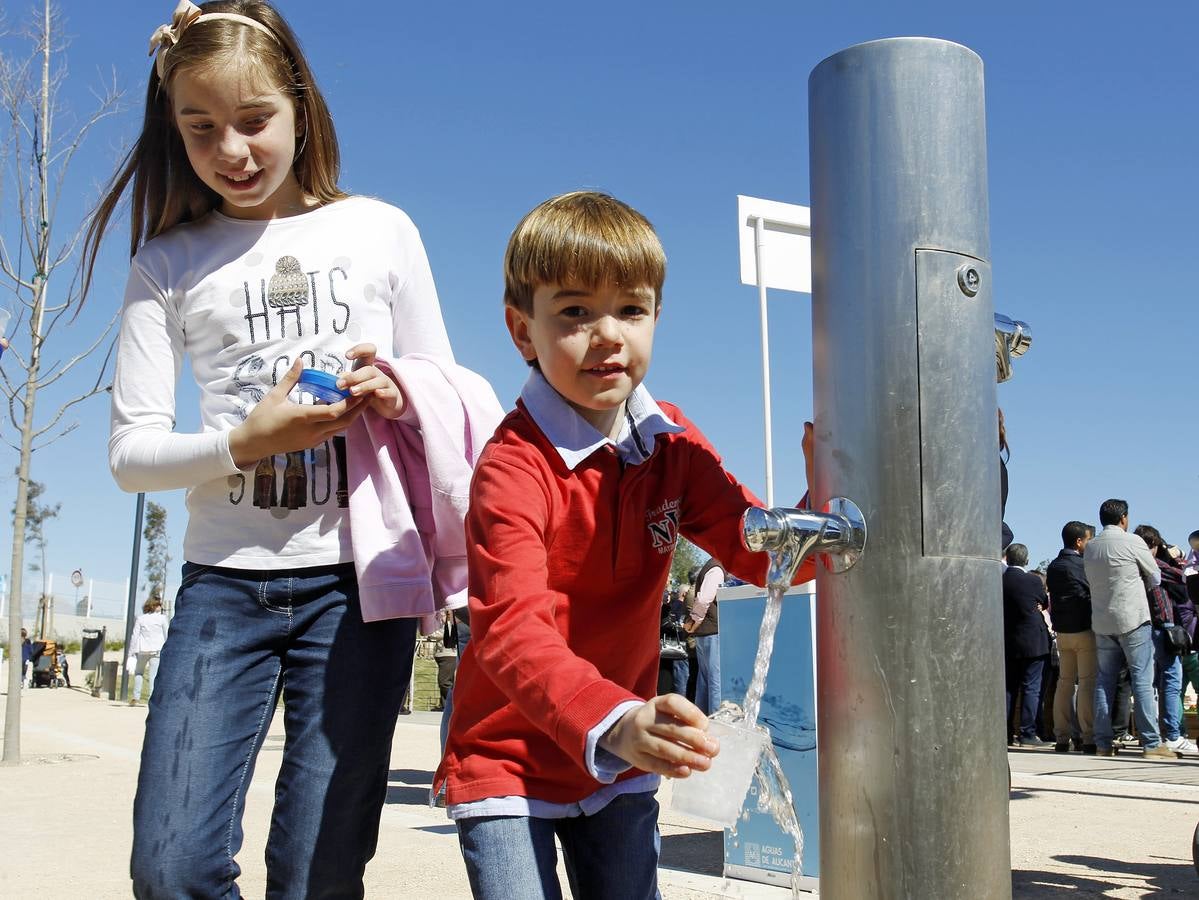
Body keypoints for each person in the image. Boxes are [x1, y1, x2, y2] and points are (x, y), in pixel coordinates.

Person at [84, 3, 464, 895]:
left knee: (316, 871)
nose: (233, 150)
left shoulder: (381, 229)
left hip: (360, 584)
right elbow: (130, 452)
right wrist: (241, 442)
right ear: (172, 130)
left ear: (301, 106)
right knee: (170, 866)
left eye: (255, 120)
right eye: (201, 127)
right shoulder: (165, 263)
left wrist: (396, 392)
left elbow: (444, 399)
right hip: (221, 584)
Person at [434, 191, 818, 899]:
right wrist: (615, 720)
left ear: (656, 318)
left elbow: (763, 557)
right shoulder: (512, 466)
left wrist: (825, 483)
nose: (607, 334)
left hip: (621, 757)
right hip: (509, 755)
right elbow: (511, 632)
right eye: (575, 311)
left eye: (630, 310)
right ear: (523, 330)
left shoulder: (668, 443)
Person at [1084, 500, 1174, 759]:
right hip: (1133, 618)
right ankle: (1151, 744)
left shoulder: (1091, 548)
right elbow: (1155, 577)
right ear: (1124, 518)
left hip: (1102, 620)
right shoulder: (1133, 542)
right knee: (1142, 681)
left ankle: (1103, 743)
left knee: (1104, 681)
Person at [1132, 525, 1197, 757]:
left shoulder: (1130, 565)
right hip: (1162, 626)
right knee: (1171, 680)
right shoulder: (1155, 565)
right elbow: (1183, 579)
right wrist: (1175, 558)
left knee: (1147, 683)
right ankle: (1172, 735)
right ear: (1154, 545)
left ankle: (1149, 735)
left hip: (1138, 627)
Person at [1046, 521, 1096, 753]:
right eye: (1088, 540)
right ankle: (1088, 737)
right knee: (1086, 683)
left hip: (1062, 632)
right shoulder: (1082, 565)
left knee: (1064, 684)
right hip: (1084, 630)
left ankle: (1062, 737)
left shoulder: (1054, 566)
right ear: (1079, 541)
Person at [1002, 544, 1051, 747]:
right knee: (1031, 687)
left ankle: (1005, 733)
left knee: (1009, 688)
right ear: (1026, 560)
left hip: (1008, 640)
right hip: (1033, 640)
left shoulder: (1000, 580)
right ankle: (1027, 733)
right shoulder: (1032, 580)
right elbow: (1044, 601)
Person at [683, 558, 724, 716]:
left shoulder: (712, 567)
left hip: (705, 632)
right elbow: (704, 598)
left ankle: (701, 718)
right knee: (715, 681)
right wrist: (694, 621)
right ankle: (716, 721)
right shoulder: (716, 569)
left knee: (705, 679)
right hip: (711, 631)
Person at [127, 596, 169, 705]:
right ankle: (151, 698)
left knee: (138, 673)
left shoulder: (141, 618)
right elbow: (167, 634)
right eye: (159, 604)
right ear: (154, 606)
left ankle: (136, 696)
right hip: (157, 650)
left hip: (142, 650)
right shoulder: (162, 618)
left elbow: (134, 636)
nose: (160, 606)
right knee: (153, 675)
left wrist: (131, 652)